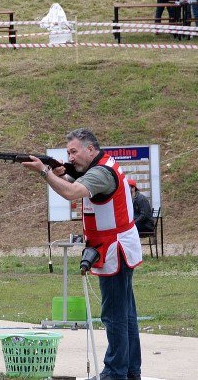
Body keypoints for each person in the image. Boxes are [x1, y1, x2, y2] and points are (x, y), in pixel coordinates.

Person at [22, 129, 141, 379]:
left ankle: (116, 372)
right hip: (116, 246)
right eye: (68, 153)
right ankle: (129, 371)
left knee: (115, 315)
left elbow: (71, 192)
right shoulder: (100, 165)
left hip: (113, 249)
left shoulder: (101, 173)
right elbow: (75, 177)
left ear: (90, 149)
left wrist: (45, 172)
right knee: (126, 314)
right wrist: (63, 171)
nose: (70, 157)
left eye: (74, 152)